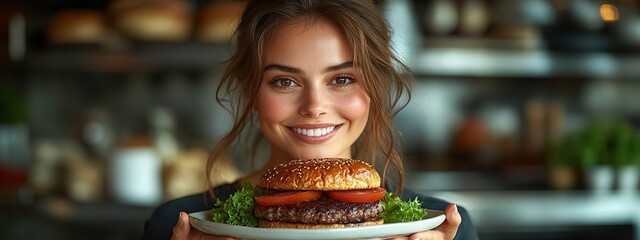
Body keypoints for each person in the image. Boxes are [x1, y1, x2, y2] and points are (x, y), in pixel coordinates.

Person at [142, 0, 479, 239]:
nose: (314, 106)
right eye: (285, 81)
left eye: (343, 78)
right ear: (251, 91)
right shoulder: (178, 225)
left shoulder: (442, 227)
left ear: (374, 89)